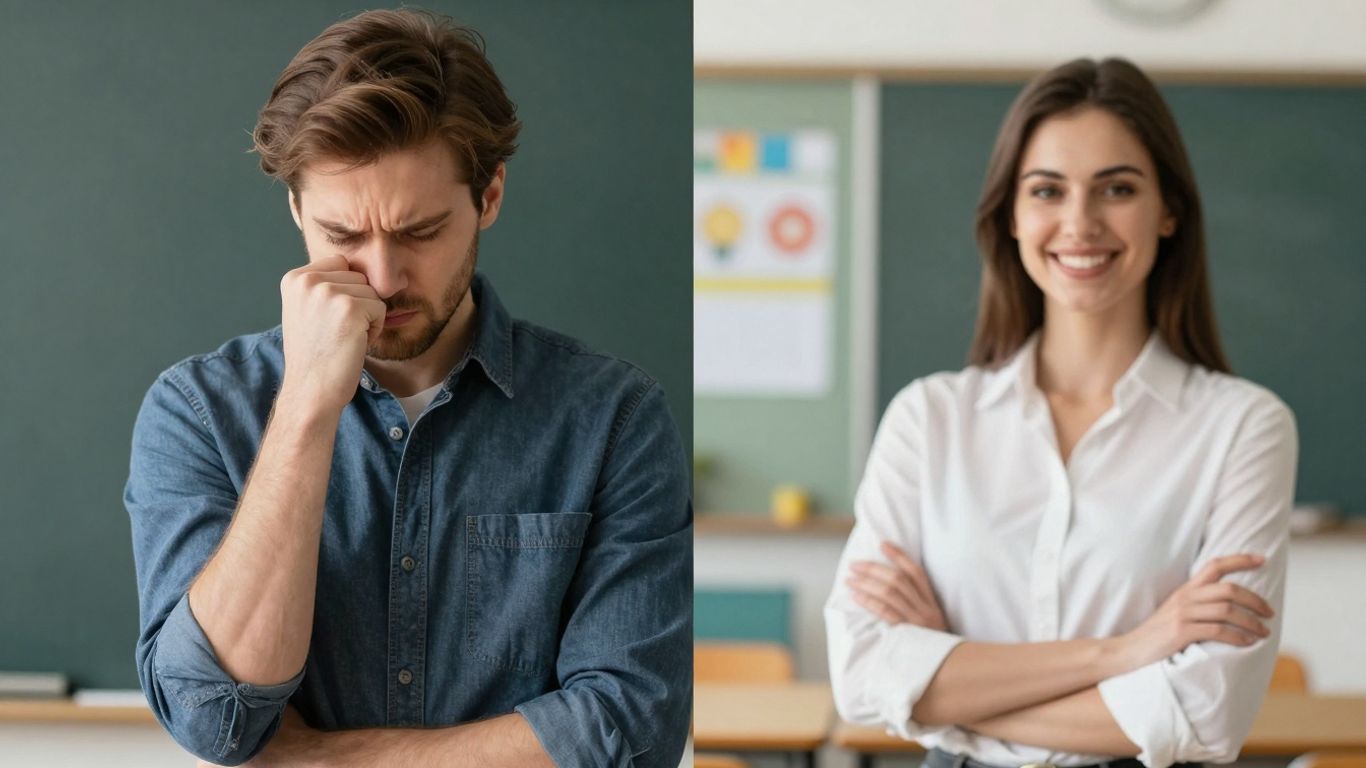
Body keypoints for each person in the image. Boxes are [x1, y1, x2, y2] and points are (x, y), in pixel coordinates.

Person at [125, 9, 691, 767]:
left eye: (420, 232)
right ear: (296, 209)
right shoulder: (197, 412)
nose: (384, 278)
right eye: (343, 236)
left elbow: (630, 729)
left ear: (489, 196)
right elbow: (214, 716)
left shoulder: (615, 419)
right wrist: (306, 407)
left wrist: (318, 760)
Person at [825, 57, 1297, 768]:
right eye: (1047, 190)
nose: (1080, 223)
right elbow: (862, 677)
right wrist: (1128, 650)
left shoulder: (1243, 427)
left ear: (1168, 211)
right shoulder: (929, 418)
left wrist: (947, 683)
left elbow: (1203, 715)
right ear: (1011, 215)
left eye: (1117, 188)